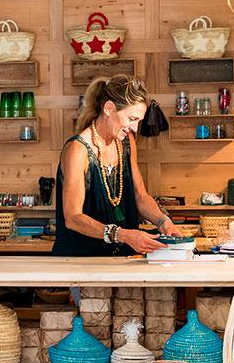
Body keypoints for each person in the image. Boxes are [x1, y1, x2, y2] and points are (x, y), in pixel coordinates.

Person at [52, 74, 181, 257]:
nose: (135, 128)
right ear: (109, 108)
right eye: (131, 119)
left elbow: (140, 195)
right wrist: (123, 235)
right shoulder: (77, 150)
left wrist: (162, 221)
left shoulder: (126, 142)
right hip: (80, 261)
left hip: (121, 258)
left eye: (138, 121)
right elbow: (73, 218)